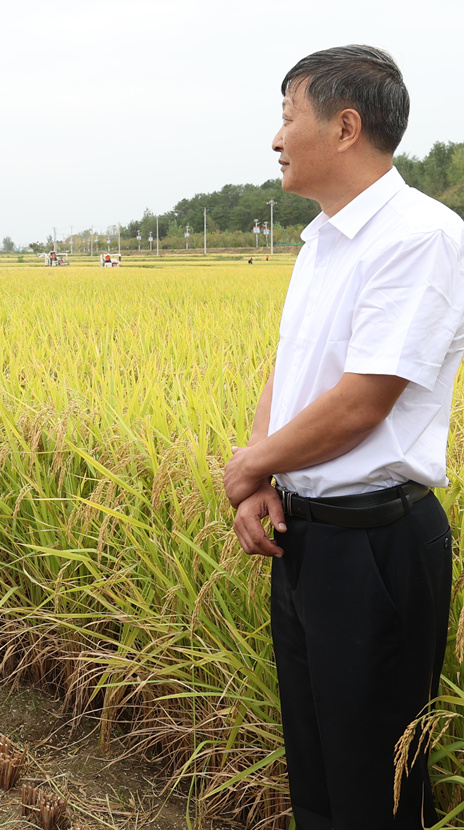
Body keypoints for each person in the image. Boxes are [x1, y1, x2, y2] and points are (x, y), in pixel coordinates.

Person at [223, 45, 462, 829]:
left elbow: (362, 403)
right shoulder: (323, 238)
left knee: (373, 790)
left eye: (288, 115)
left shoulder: (420, 236)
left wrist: (248, 466)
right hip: (308, 540)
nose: (276, 137)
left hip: (375, 547)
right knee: (319, 776)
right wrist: (261, 476)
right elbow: (291, 368)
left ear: (346, 126)